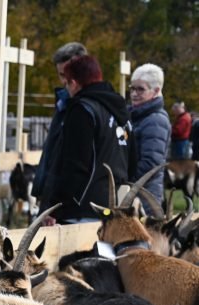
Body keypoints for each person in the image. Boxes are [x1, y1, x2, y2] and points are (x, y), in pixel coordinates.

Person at [39, 54, 130, 224]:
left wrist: (56, 207)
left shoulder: (82, 110)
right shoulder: (120, 112)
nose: (66, 89)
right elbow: (132, 159)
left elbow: (75, 165)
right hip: (113, 204)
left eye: (66, 84)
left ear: (74, 83)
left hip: (81, 207)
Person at [31, 42, 88, 215]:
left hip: (69, 205)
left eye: (67, 75)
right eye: (60, 75)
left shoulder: (86, 109)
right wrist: (41, 189)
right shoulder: (63, 104)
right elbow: (52, 152)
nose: (64, 81)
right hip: (51, 198)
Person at [127, 64, 171, 214]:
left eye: (140, 89)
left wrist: (124, 179)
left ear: (156, 90)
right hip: (133, 192)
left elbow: (151, 164)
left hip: (146, 197)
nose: (134, 93)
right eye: (132, 88)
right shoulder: (135, 115)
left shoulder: (156, 120)